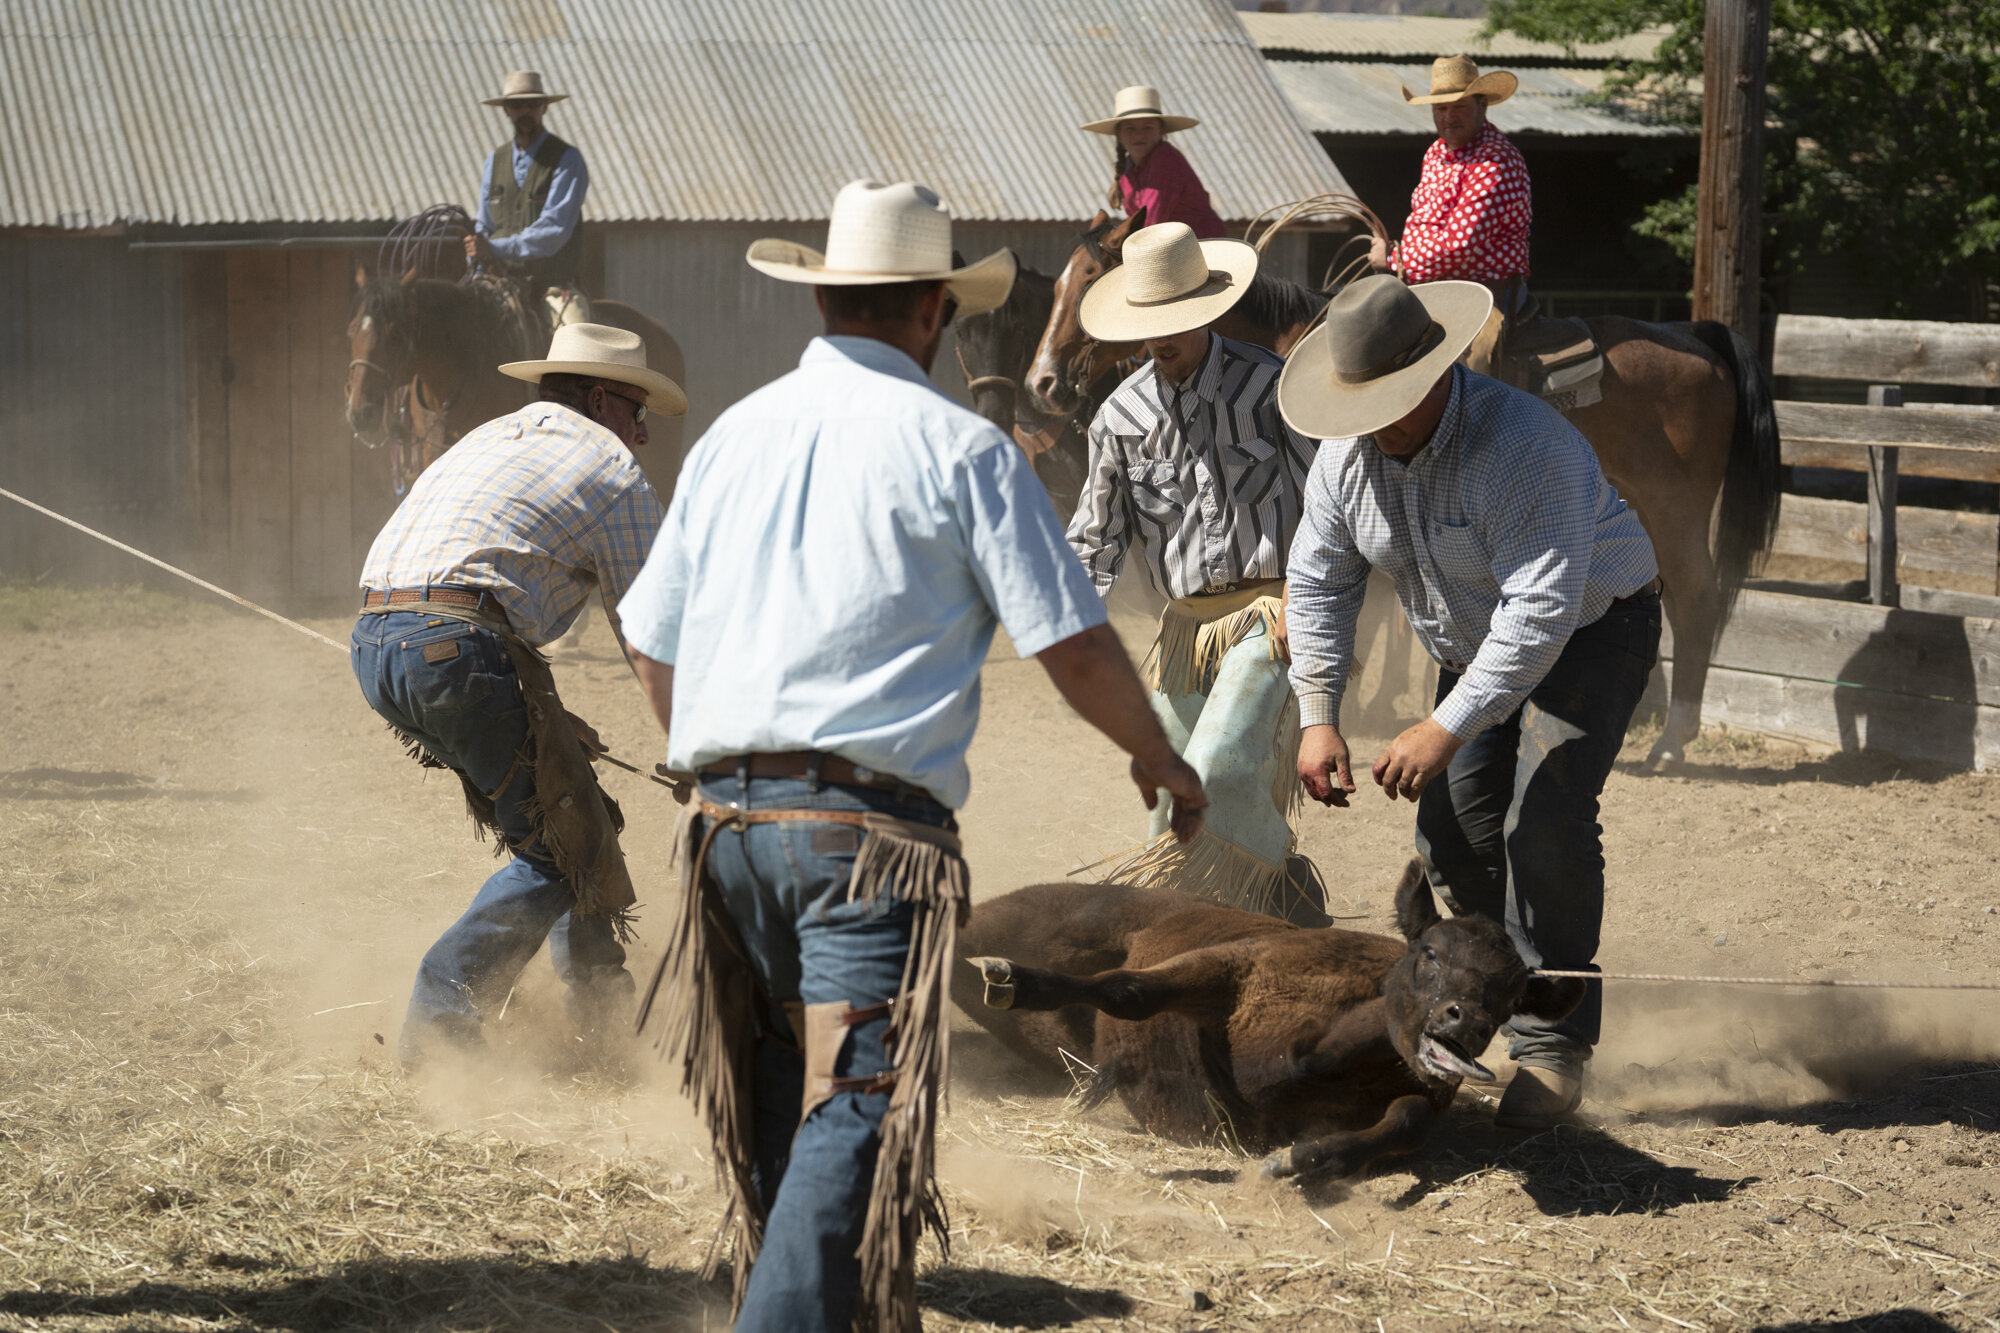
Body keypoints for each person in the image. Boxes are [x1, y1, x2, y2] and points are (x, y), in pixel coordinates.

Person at [618, 180, 1207, 1333]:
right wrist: (1158, 756)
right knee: (856, 1100)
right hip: (866, 846)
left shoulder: (735, 433)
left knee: (776, 1093)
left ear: (826, 299)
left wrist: (708, 762)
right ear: (934, 311)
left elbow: (649, 635)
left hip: (725, 836)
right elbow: (1074, 643)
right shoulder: (962, 448)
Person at [1277, 274, 1660, 1130]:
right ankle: (1479, 1004)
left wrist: (1444, 724)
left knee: (1547, 820)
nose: (1378, 420)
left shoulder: (1524, 446)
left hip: (1595, 625)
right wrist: (1318, 712)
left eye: (1395, 399)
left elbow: (1543, 608)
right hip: (1470, 641)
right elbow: (1319, 577)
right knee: (1451, 831)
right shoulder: (1346, 460)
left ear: (1439, 371)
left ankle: (1552, 1049)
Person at [352, 323, 687, 1071]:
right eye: (638, 414)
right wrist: (697, 745)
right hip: (455, 647)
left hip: (380, 642)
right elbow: (653, 635)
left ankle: (599, 1007)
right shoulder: (613, 470)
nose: (642, 435)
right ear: (601, 400)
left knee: (579, 811)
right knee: (557, 848)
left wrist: (540, 713)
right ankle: (442, 1020)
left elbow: (482, 575)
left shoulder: (491, 437)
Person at [1066, 221, 1322, 921]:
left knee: (1219, 768)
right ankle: (1208, 921)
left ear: (1207, 311)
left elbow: (1327, 505)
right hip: (1182, 632)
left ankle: (1279, 890)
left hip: (1275, 612)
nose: (1165, 337)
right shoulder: (1119, 417)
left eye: (1179, 320)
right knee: (1168, 802)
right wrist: (1064, 626)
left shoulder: (1273, 389)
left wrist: (1315, 601)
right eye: (1152, 324)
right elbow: (1095, 538)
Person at [1370, 56, 1531, 371]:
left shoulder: (1497, 161)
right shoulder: (1435, 154)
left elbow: (1460, 245)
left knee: (1473, 368)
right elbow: (1420, 222)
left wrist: (1393, 259)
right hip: (1430, 290)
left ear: (1482, 104)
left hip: (1485, 294)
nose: (1448, 118)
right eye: (1440, 109)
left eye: (1459, 107)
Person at [464, 71, 593, 326]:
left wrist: (494, 248)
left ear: (544, 107)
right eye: (516, 105)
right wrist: (476, 255)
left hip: (550, 288)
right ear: (506, 111)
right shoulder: (494, 161)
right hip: (500, 284)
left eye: (532, 105)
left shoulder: (567, 159)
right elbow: (485, 223)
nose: (525, 111)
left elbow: (554, 229)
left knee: (576, 345)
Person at [1081, 85, 1228, 238]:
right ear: (1119, 134)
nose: (1139, 136)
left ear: (1161, 131)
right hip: (1168, 245)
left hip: (1201, 245)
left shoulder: (1165, 159)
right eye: (1130, 129)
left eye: (1148, 128)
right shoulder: (1127, 170)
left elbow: (1151, 223)